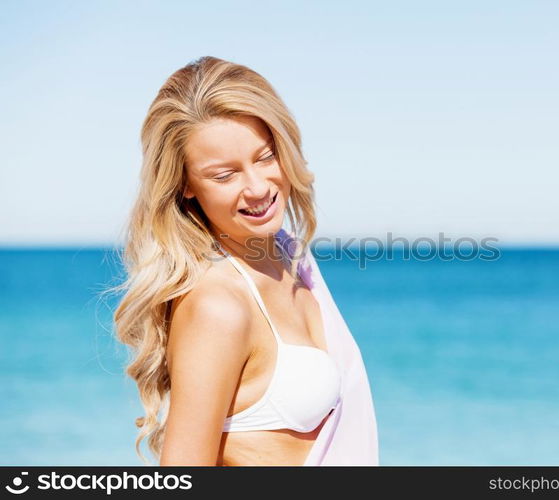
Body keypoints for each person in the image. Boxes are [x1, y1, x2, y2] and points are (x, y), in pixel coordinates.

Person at [110, 56, 379, 466]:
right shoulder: (217, 305)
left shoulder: (291, 256)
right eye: (224, 175)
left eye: (265, 157)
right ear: (184, 185)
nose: (257, 188)